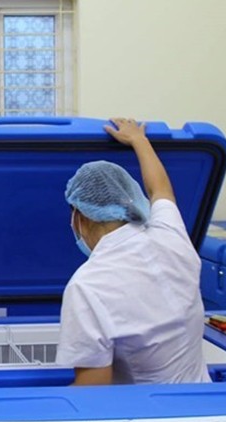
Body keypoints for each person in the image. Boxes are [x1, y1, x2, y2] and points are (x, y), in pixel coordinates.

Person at [55, 117, 211, 385]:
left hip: (148, 412)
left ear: (81, 216)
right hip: (202, 404)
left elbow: (93, 390)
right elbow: (160, 189)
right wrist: (139, 140)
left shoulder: (88, 286)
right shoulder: (171, 234)